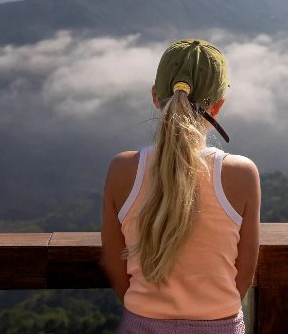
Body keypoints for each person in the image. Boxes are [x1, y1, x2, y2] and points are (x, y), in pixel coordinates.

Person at [101, 39, 261, 334]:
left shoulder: (121, 170)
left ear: (155, 96)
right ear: (218, 105)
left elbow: (113, 262)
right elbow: (246, 271)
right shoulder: (241, 174)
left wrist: (146, 312)